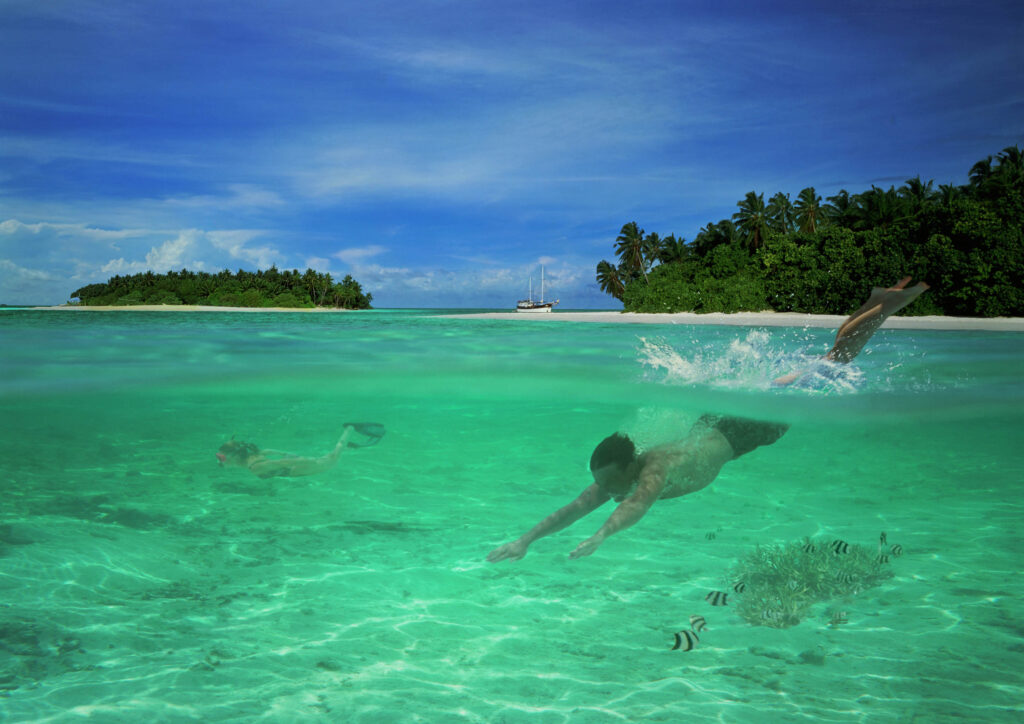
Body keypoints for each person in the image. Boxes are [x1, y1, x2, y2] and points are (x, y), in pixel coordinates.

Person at [486, 277, 929, 563]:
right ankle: (875, 302)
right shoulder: (623, 472)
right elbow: (575, 507)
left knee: (835, 363)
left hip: (746, 427)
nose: (609, 492)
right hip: (722, 418)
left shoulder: (652, 470)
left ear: (631, 465)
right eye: (606, 485)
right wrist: (526, 540)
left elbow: (633, 507)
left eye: (613, 483)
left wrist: (601, 537)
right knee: (825, 362)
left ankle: (885, 308)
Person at [216, 422, 385, 479]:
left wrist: (305, 460)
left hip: (302, 467)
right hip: (298, 466)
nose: (220, 462)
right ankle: (350, 445)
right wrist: (284, 452)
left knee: (332, 459)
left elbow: (279, 463)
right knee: (332, 456)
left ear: (234, 456)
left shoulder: (255, 467)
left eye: (222, 458)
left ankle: (350, 428)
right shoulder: (252, 457)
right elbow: (267, 451)